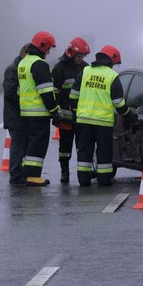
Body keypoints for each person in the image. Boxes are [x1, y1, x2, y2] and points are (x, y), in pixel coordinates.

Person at [70, 45, 133, 187]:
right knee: (104, 152)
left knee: (84, 151)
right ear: (111, 61)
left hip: (83, 120)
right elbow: (119, 103)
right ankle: (104, 181)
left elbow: (73, 95)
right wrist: (128, 115)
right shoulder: (112, 76)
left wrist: (75, 111)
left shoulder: (85, 71)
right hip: (103, 122)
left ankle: (84, 180)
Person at [18, 31, 62, 187]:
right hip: (38, 112)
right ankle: (33, 176)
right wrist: (55, 111)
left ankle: (26, 173)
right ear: (42, 46)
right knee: (38, 144)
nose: (49, 52)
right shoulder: (39, 65)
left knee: (29, 143)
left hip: (25, 111)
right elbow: (45, 92)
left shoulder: (23, 63)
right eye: (48, 48)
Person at [51, 37, 90, 183]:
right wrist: (55, 111)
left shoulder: (86, 68)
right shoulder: (59, 68)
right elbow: (54, 92)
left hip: (81, 116)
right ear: (71, 53)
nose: (81, 59)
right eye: (79, 56)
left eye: (83, 56)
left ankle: (83, 174)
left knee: (82, 146)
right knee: (65, 148)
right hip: (66, 116)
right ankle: (64, 172)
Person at [3, 43, 31, 185]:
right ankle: (15, 175)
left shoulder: (20, 68)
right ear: (24, 54)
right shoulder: (13, 70)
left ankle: (21, 173)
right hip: (15, 116)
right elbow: (10, 93)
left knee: (23, 145)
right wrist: (26, 102)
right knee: (18, 145)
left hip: (21, 114)